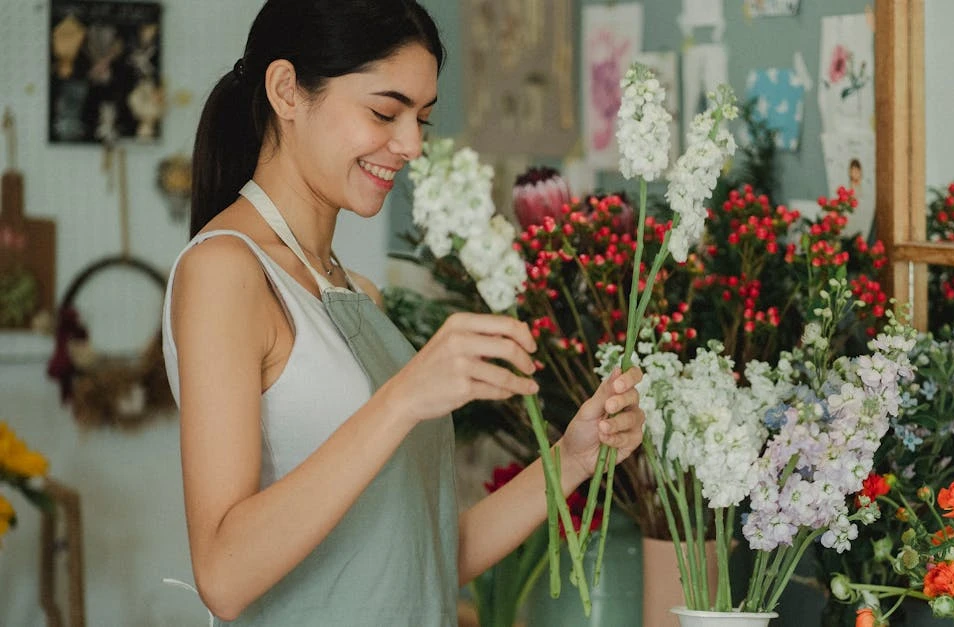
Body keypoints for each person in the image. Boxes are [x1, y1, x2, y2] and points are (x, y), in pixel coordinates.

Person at [161, 1, 645, 624]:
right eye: (384, 112)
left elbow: (423, 555)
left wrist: (574, 457)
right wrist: (403, 398)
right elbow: (223, 576)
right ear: (286, 90)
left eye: (422, 118)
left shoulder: (360, 294)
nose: (411, 144)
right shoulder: (226, 271)